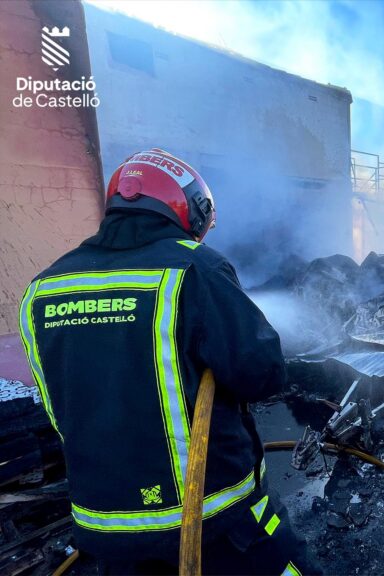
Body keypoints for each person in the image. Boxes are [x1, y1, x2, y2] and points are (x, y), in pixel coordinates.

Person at [18, 149, 315, 575]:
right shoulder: (193, 269)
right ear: (188, 209)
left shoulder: (41, 291)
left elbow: (61, 409)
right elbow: (263, 374)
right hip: (211, 517)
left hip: (107, 530)